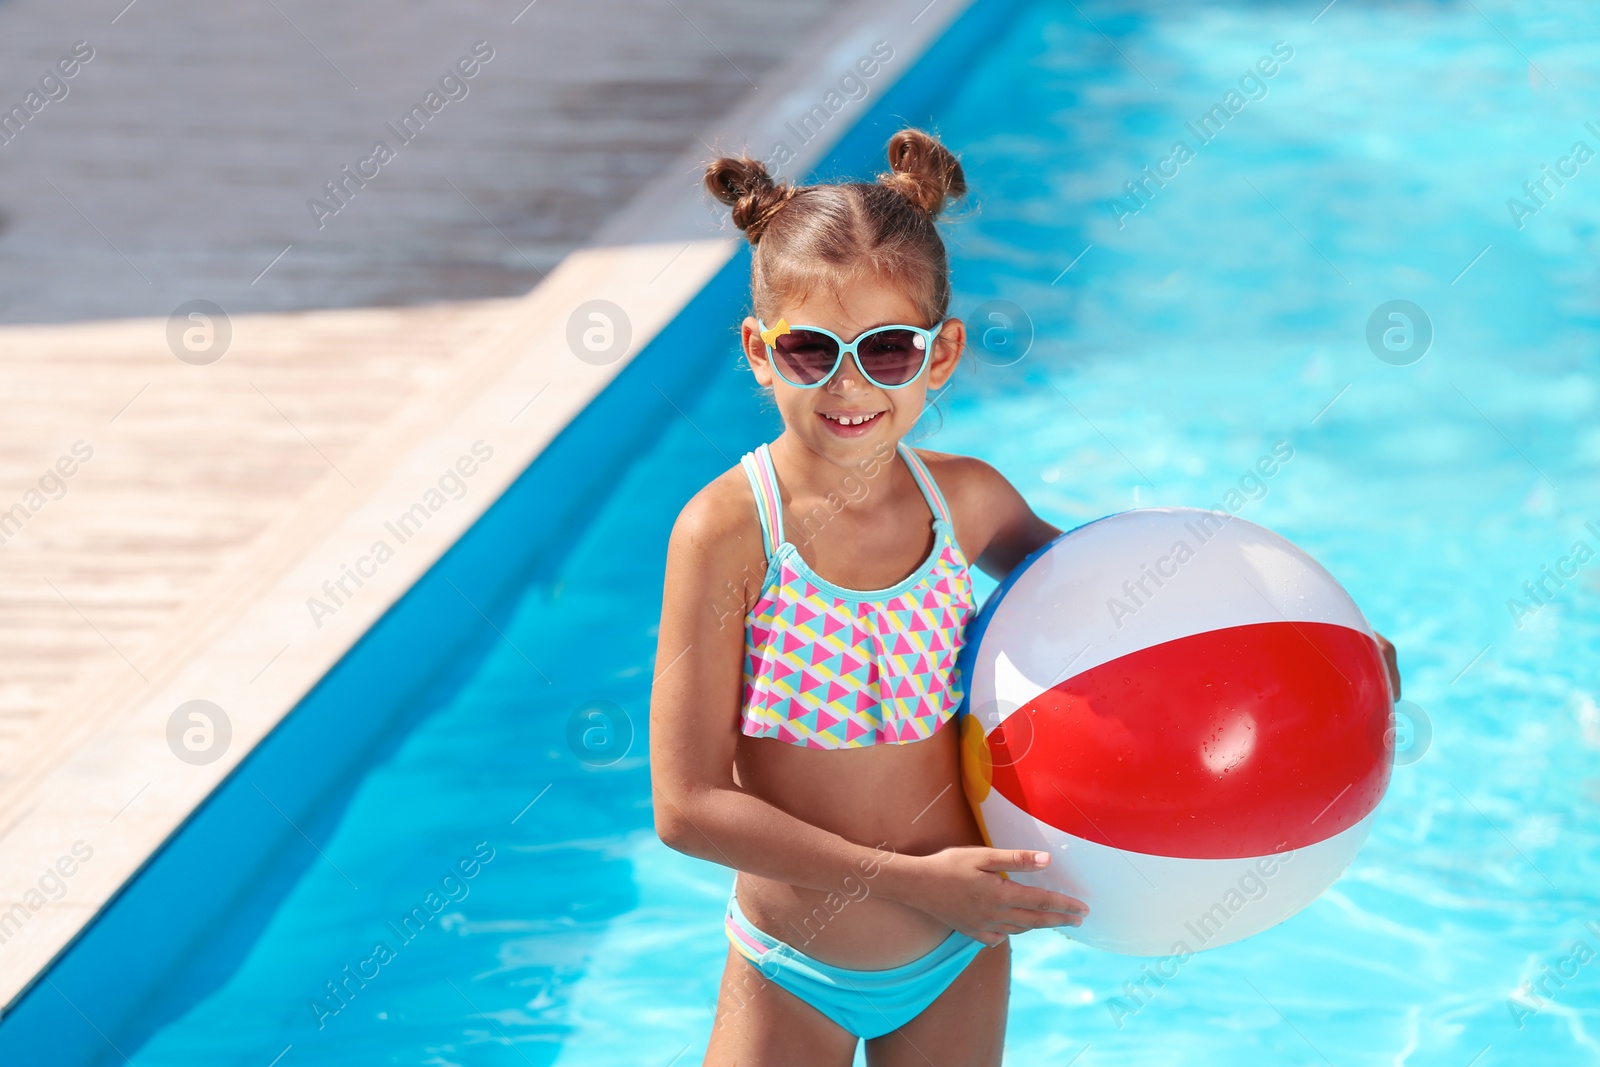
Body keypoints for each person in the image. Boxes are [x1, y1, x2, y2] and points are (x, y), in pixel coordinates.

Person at [648, 127, 1401, 1066]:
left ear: (943, 351)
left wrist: (1328, 665)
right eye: (811, 350)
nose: (849, 384)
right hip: (794, 964)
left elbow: (1137, 616)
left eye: (887, 350)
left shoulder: (967, 504)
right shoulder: (728, 532)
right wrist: (915, 880)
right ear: (760, 352)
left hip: (960, 950)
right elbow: (683, 807)